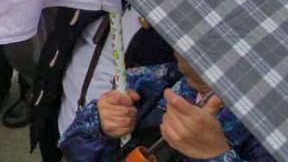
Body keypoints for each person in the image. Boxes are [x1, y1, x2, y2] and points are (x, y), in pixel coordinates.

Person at [60, 52, 273, 161]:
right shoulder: (152, 81)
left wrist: (215, 154)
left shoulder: (269, 126)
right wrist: (99, 124)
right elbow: (74, 150)